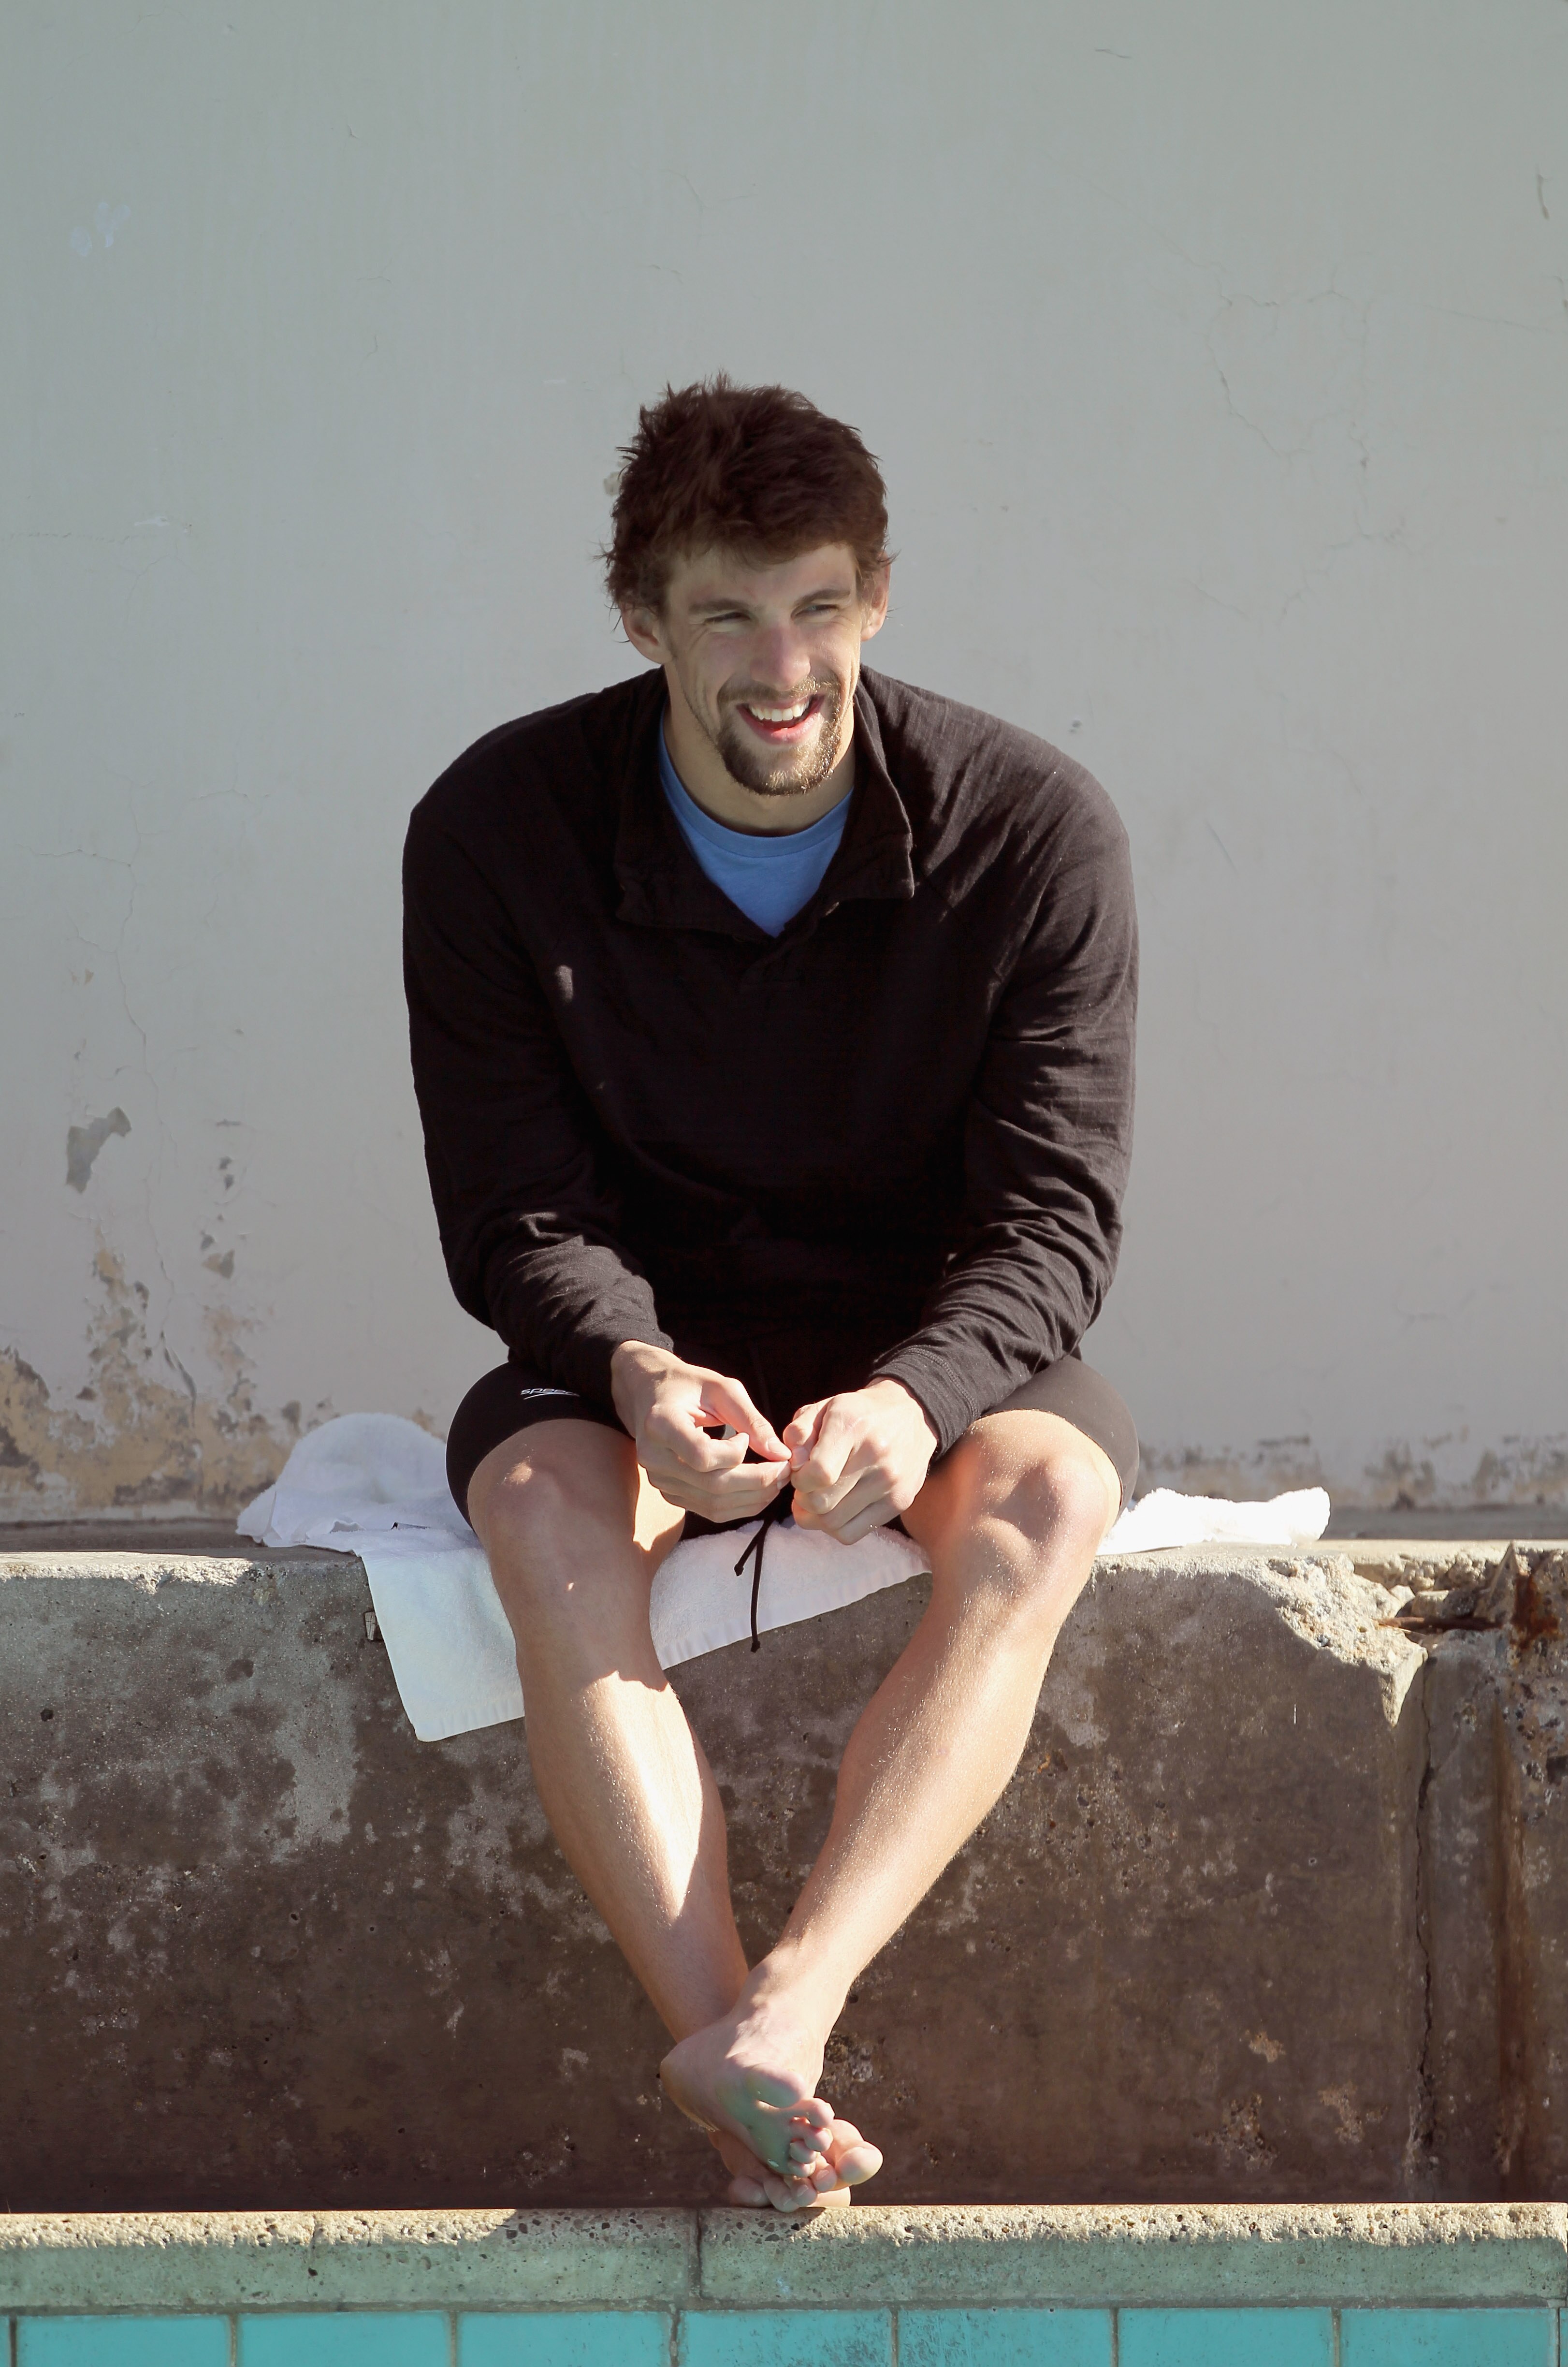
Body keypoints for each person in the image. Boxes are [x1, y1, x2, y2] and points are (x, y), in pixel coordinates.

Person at [403, 378, 1139, 2210]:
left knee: (1055, 1493)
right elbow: (511, 1211)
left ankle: (792, 2008)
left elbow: (1054, 1216)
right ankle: (728, 2043)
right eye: (725, 614)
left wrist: (917, 1394)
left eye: (816, 606)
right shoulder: (498, 825)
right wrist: (639, 1370)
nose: (778, 664)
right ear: (642, 618)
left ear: (878, 595)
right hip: (638, 1340)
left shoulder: (1034, 827)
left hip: (934, 1342)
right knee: (530, 1501)